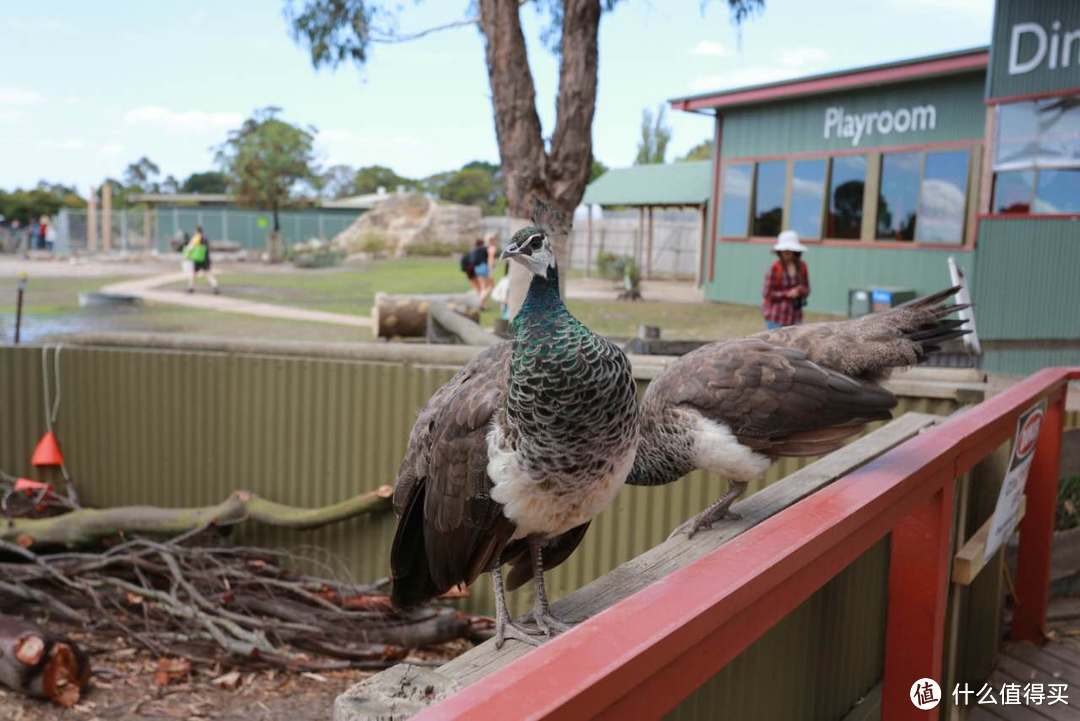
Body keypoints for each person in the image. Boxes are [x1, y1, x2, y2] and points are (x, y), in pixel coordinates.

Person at [762, 229, 810, 329]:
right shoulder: (774, 268)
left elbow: (807, 289)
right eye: (784, 249)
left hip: (795, 317)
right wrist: (787, 294)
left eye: (790, 249)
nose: (786, 251)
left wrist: (799, 291)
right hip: (775, 317)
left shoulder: (802, 267)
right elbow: (767, 293)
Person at [183, 225, 220, 294]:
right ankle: (215, 287)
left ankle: (191, 288)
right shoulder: (205, 238)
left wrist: (187, 255)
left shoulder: (196, 237)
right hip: (206, 258)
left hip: (198, 258)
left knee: (193, 273)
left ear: (196, 231)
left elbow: (191, 247)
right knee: (208, 273)